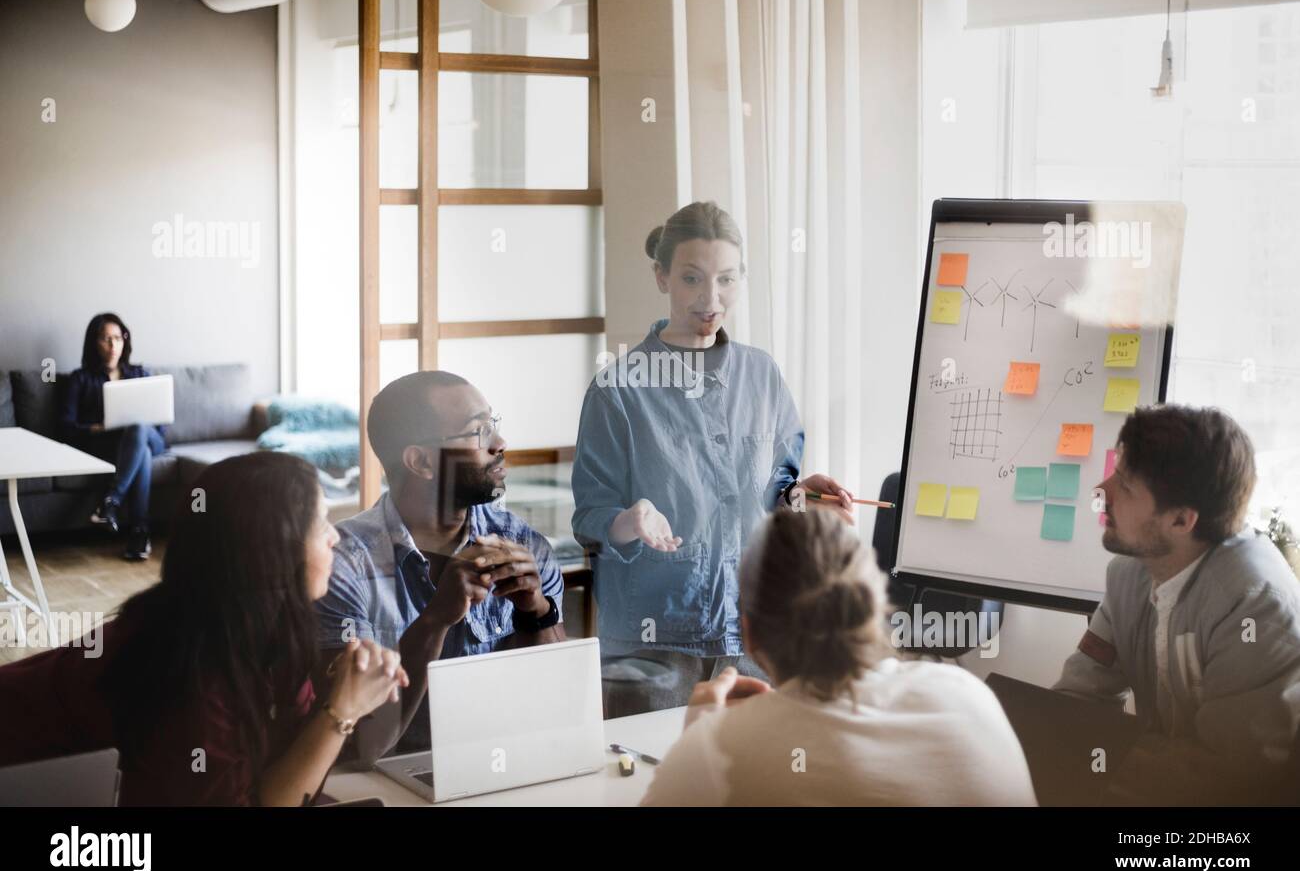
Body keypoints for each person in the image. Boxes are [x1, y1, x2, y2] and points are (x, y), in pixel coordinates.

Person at [572, 201, 854, 716]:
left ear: (742, 277)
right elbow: (590, 523)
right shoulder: (617, 391)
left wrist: (801, 498)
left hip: (753, 636)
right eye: (691, 279)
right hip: (652, 647)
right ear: (661, 277)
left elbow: (774, 494)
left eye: (726, 279)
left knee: (751, 784)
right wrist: (628, 521)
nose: (710, 298)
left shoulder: (762, 376)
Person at [0, 452, 407, 805]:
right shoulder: (186, 675)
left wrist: (339, 696)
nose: (335, 537)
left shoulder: (271, 630)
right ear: (271, 552)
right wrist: (340, 712)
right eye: (320, 524)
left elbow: (284, 780)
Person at [640, 508, 1037, 805]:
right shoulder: (969, 695)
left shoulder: (717, 750)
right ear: (877, 603)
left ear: (748, 631)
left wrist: (700, 737)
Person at [1054, 404, 1300, 804]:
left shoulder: (1257, 607)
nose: (1102, 492)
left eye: (1127, 486)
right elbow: (1081, 696)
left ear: (1182, 521)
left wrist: (1086, 758)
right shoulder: (1128, 575)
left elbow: (1226, 776)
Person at [315, 371, 565, 762]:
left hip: (504, 766)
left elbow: (556, 707)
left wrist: (536, 610)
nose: (500, 443)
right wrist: (434, 620)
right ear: (420, 461)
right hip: (385, 780)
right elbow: (357, 743)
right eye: (477, 431)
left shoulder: (522, 544)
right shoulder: (343, 564)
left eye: (493, 424)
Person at [58, 312, 166, 560]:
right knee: (142, 454)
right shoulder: (80, 379)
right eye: (105, 339)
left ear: (125, 341)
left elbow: (159, 422)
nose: (112, 345)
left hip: (152, 438)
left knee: (139, 430)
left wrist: (144, 427)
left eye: (117, 338)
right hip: (109, 446)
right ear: (93, 343)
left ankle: (111, 501)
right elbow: (64, 428)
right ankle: (140, 532)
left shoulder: (140, 374)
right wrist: (97, 427)